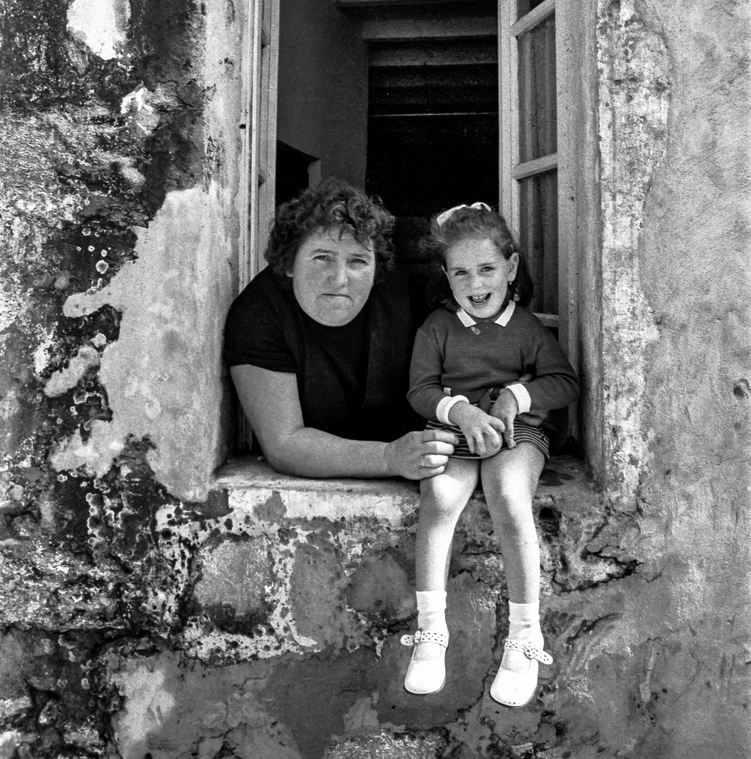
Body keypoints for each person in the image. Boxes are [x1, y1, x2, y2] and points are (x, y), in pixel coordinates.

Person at [401, 202, 578, 706]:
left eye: (486, 269)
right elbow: (419, 390)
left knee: (507, 496)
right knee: (439, 496)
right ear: (446, 276)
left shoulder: (526, 328)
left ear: (511, 268)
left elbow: (564, 382)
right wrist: (461, 414)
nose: (475, 283)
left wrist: (515, 398)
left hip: (517, 434)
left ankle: (525, 635)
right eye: (460, 272)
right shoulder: (436, 327)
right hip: (456, 431)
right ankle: (431, 630)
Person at [224, 178, 458, 481]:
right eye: (323, 258)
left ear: (376, 270)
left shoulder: (410, 293)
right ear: (289, 263)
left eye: (358, 261)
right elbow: (285, 444)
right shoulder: (258, 313)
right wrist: (389, 458)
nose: (339, 279)